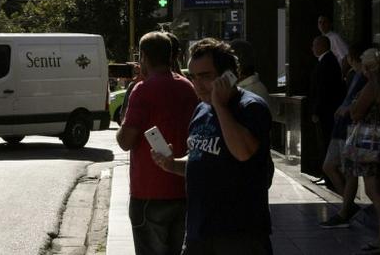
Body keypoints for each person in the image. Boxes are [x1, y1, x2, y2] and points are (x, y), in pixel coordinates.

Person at [151, 38, 273, 254]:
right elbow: (201, 157)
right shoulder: (201, 110)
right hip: (199, 232)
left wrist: (220, 106)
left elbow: (243, 152)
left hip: (239, 235)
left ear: (228, 76)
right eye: (193, 76)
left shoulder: (250, 107)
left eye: (205, 76)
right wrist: (172, 165)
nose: (197, 84)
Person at [116, 32, 199, 255]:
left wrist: (123, 118)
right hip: (183, 188)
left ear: (143, 56)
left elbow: (125, 141)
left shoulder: (142, 90)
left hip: (149, 192)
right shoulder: (188, 87)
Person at [345, 48, 380, 253]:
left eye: (362, 64)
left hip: (371, 145)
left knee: (373, 189)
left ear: (368, 66)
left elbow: (357, 112)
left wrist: (351, 107)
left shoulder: (372, 85)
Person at [319, 43, 368, 228]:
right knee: (329, 166)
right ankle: (348, 206)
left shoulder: (363, 77)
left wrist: (347, 109)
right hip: (341, 127)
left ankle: (345, 209)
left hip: (350, 128)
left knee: (348, 171)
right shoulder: (354, 76)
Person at [309, 35, 346, 182]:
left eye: (314, 45)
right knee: (323, 141)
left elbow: (323, 90)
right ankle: (325, 174)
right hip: (326, 111)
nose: (312, 48)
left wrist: (316, 111)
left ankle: (328, 175)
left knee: (325, 141)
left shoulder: (327, 62)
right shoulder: (326, 61)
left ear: (321, 46)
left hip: (326, 112)